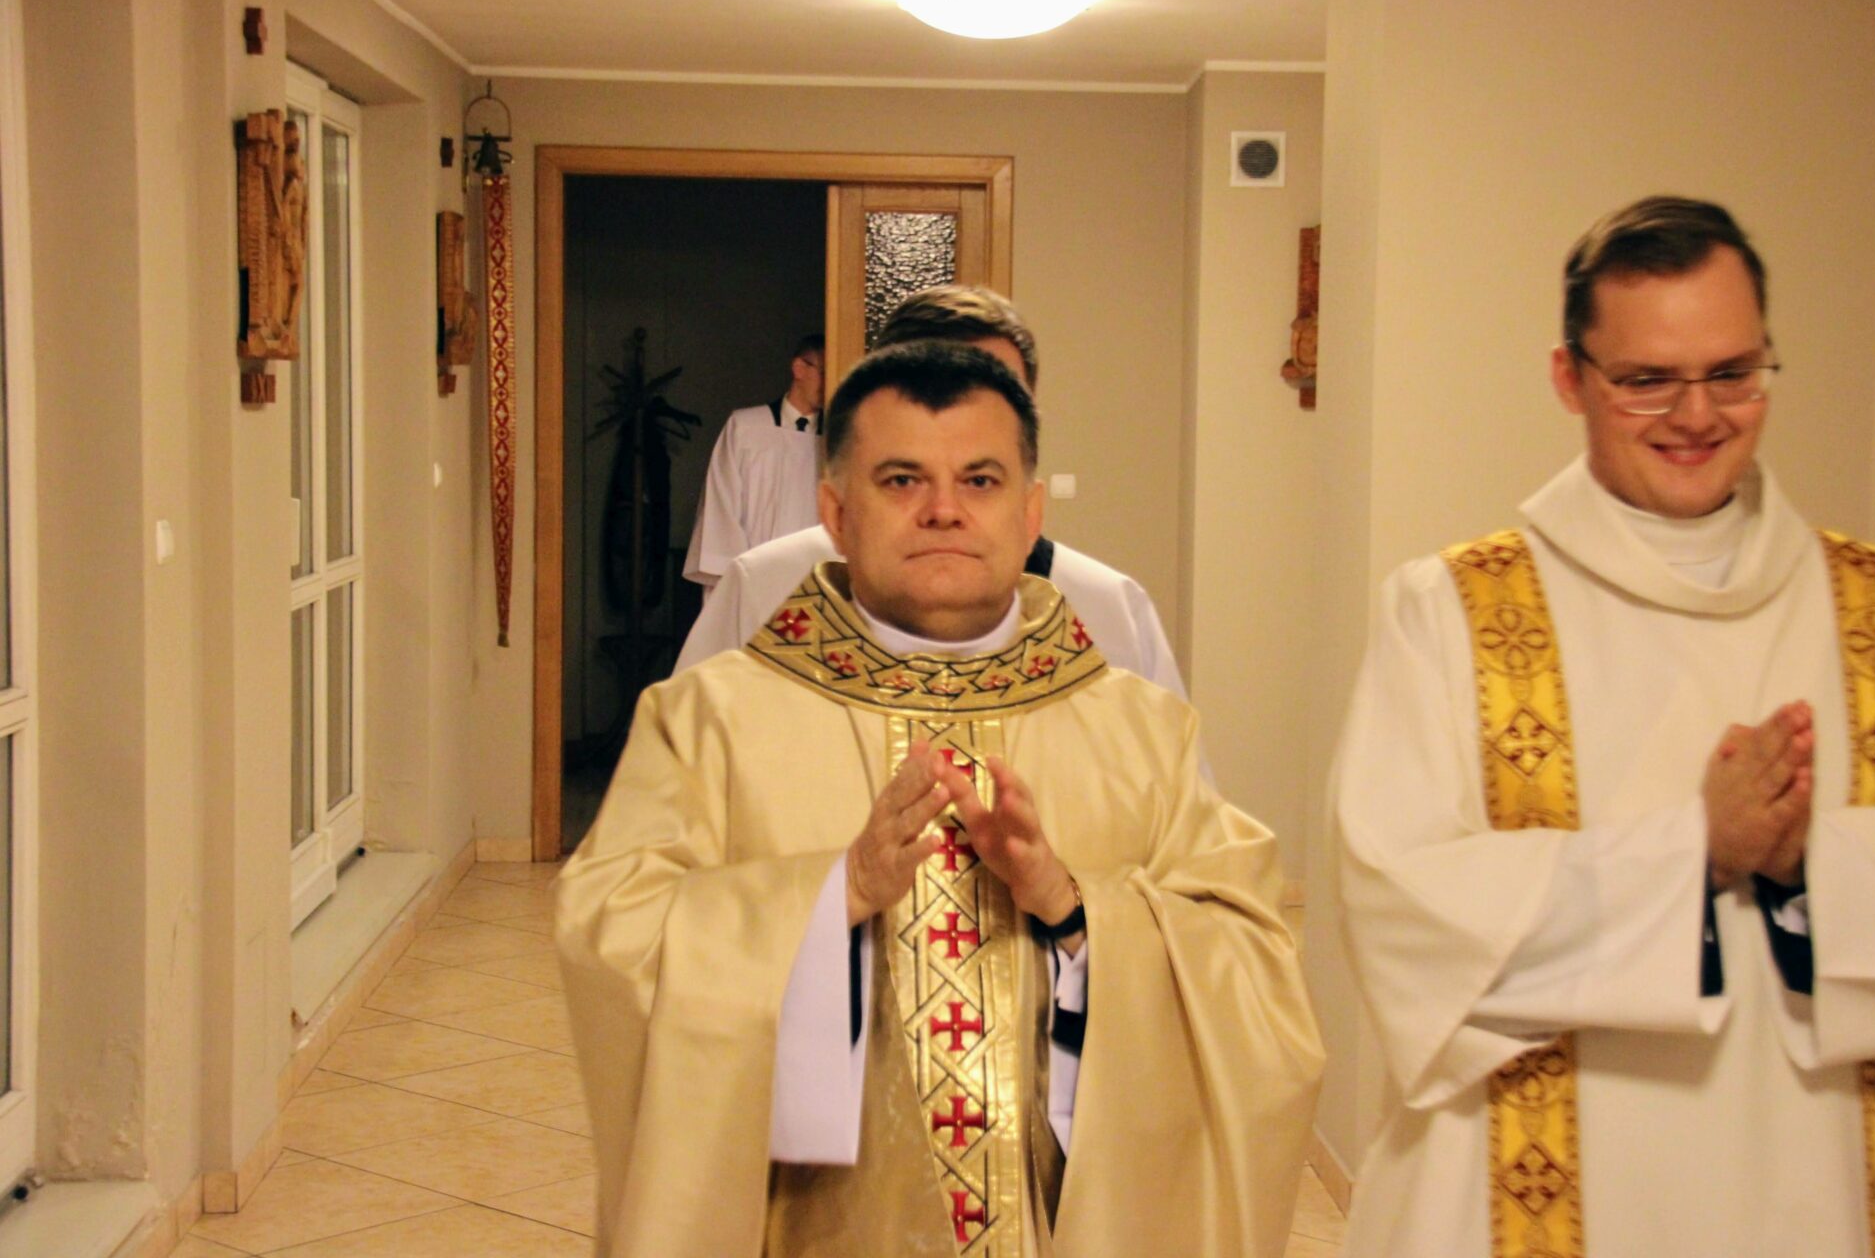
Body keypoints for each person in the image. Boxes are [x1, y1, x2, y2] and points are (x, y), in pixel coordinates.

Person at [558, 341, 1322, 1257]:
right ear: (836, 513)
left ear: (1029, 513)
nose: (944, 510)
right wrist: (829, 897)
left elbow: (1256, 983)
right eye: (901, 480)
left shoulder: (1143, 733)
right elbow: (611, 936)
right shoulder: (708, 721)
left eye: (981, 480)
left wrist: (1074, 910)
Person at [1334, 195, 1875, 1256]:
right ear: (1570, 377)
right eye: (1648, 380)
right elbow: (1400, 904)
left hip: (1814, 1173)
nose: (1697, 416)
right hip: (1529, 1180)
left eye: (1733, 373)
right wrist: (1696, 853)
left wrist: (1810, 864)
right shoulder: (1456, 608)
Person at [675, 286, 1187, 702]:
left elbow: (1172, 795)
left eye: (996, 393)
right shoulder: (764, 591)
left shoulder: (1111, 613)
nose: (960, 422)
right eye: (932, 394)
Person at [682, 333, 826, 591]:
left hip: (812, 580)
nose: (830, 383)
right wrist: (742, 575)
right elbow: (722, 503)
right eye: (824, 373)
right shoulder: (746, 427)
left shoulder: (836, 440)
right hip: (752, 577)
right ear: (799, 368)